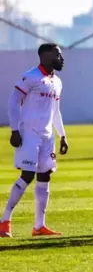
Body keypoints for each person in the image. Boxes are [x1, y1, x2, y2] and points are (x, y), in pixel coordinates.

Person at [0, 43, 68, 238]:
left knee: (45, 176)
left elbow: (56, 111)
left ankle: (39, 226)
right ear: (45, 56)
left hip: (47, 137)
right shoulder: (31, 76)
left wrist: (62, 135)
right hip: (29, 134)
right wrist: (14, 129)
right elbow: (13, 101)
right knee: (27, 174)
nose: (61, 58)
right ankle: (5, 220)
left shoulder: (57, 82)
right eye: (58, 55)